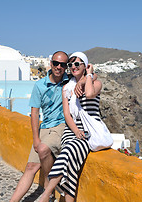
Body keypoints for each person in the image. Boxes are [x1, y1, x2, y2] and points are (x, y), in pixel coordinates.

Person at [38, 52, 102, 202]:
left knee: (68, 153)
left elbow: (90, 94)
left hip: (89, 131)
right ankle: (48, 195)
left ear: (85, 66)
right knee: (71, 162)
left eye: (77, 64)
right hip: (72, 130)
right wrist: (76, 131)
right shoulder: (66, 88)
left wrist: (88, 77)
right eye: (71, 64)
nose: (73, 67)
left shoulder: (96, 83)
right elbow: (67, 114)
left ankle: (46, 193)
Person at [10, 51, 69, 202]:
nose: (58, 67)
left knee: (43, 150)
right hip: (45, 127)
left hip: (61, 126)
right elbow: (34, 113)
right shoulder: (40, 85)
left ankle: (48, 192)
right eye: (56, 63)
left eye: (63, 65)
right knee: (31, 167)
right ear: (51, 64)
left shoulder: (69, 82)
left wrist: (91, 75)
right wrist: (36, 138)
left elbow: (88, 78)